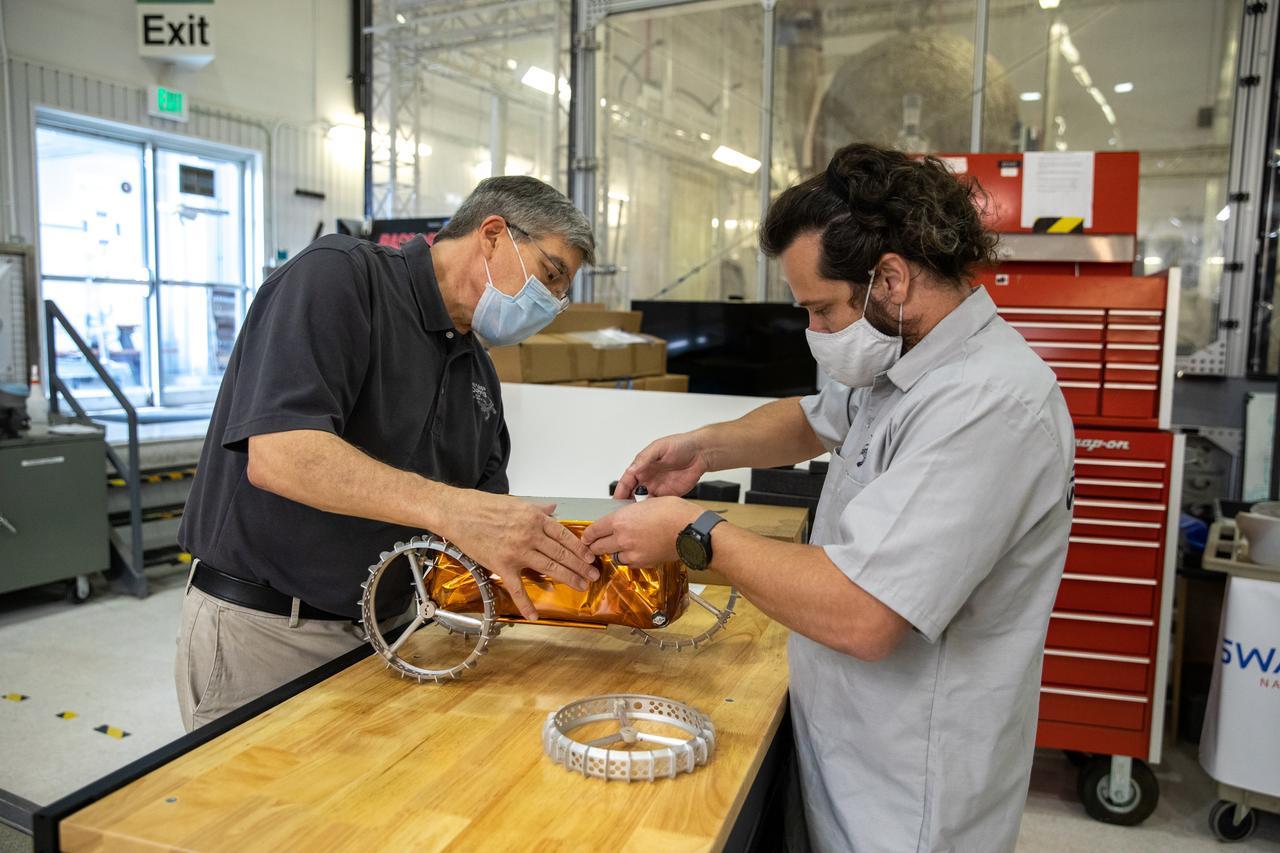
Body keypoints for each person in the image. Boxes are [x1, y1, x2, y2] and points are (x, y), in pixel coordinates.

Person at [583, 144, 1075, 852]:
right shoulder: (907, 358)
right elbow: (815, 418)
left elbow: (864, 613)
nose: (813, 332)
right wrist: (705, 448)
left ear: (891, 278)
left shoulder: (985, 404)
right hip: (848, 742)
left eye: (821, 309)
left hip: (906, 789)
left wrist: (696, 531)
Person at [175, 176, 600, 731]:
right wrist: (450, 508)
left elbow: (479, 530)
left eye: (562, 293)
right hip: (269, 632)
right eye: (551, 275)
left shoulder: (478, 373)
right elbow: (281, 454)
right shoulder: (340, 277)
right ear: (493, 234)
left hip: (395, 636)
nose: (553, 302)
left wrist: (593, 575)